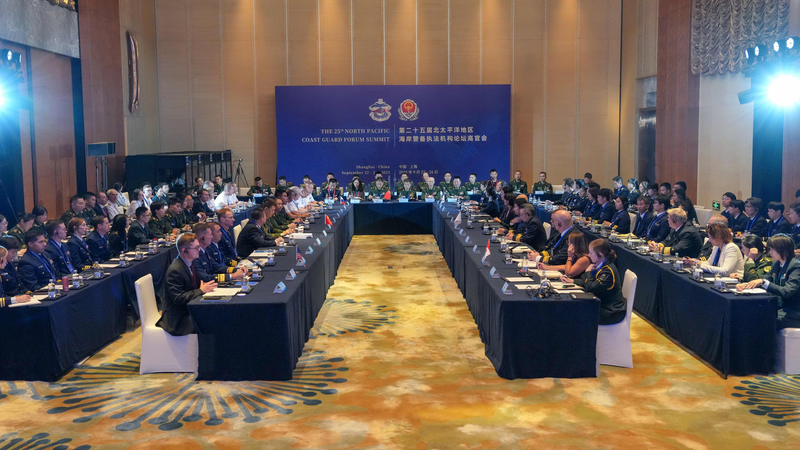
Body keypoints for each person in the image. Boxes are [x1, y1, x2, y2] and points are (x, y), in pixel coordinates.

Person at [156, 233, 217, 336]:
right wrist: (201, 290)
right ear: (185, 251)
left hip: (188, 310)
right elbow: (178, 298)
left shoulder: (189, 263)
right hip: (178, 319)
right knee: (212, 322)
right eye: (196, 248)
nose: (199, 250)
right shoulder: (175, 270)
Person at [736, 235, 800, 329]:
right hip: (778, 307)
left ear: (782, 250)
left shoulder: (796, 267)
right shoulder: (776, 263)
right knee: (748, 313)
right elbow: (764, 280)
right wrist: (747, 285)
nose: (770, 253)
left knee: (761, 320)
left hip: (793, 312)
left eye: (772, 249)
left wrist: (763, 281)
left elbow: (787, 291)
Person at [560, 239, 626, 325]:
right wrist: (572, 281)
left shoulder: (608, 271)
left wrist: (588, 272)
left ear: (600, 255)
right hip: (603, 305)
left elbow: (591, 287)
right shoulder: (601, 265)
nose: (588, 255)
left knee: (575, 312)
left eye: (591, 253)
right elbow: (591, 282)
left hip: (610, 311)